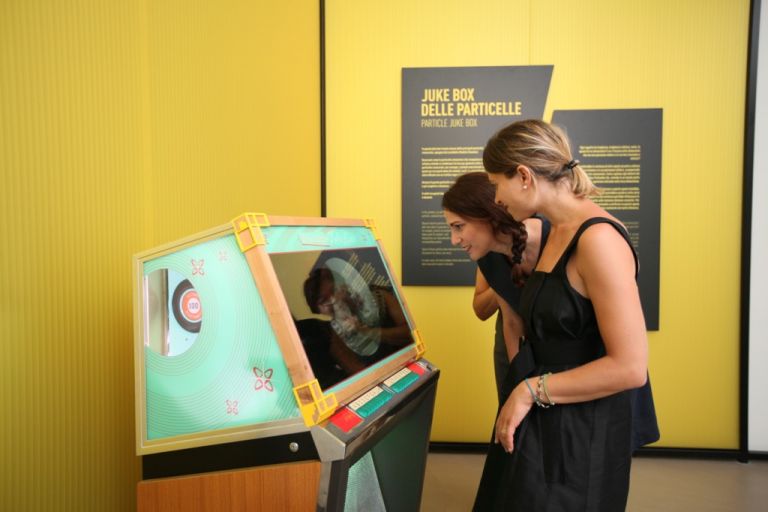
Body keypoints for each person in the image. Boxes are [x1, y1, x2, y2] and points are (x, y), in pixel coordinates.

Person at [473, 119, 658, 511]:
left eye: (496, 184)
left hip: (583, 430)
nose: (496, 198)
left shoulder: (599, 240)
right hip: (551, 417)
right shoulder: (556, 231)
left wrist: (529, 391)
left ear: (523, 176)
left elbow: (629, 367)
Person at [442, 172, 550, 403]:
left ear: (489, 215)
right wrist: (519, 380)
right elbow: (511, 322)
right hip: (530, 360)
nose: (454, 239)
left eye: (459, 226)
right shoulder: (489, 257)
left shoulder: (553, 238)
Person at [303, 265, 412, 375]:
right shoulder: (335, 341)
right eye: (324, 300)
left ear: (342, 285)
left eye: (333, 291)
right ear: (318, 310)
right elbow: (361, 374)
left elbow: (409, 333)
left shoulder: (379, 297)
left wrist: (366, 332)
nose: (334, 299)